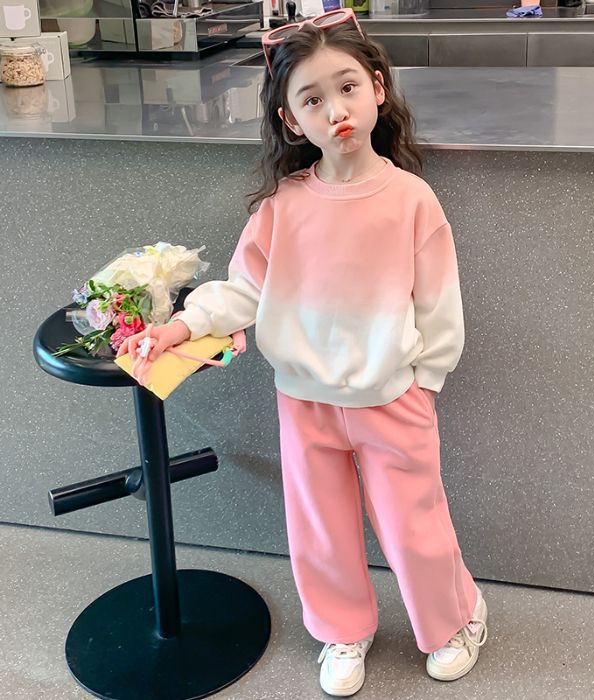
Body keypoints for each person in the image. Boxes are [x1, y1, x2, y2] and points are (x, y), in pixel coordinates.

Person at [117, 8, 488, 697]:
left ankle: (454, 619)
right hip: (304, 401)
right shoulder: (282, 207)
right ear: (291, 121)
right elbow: (244, 291)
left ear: (378, 88)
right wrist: (180, 327)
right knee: (320, 528)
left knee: (414, 525)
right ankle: (343, 629)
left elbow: (440, 304)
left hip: (393, 398)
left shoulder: (412, 199)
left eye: (347, 88)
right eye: (312, 100)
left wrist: (426, 382)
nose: (336, 110)